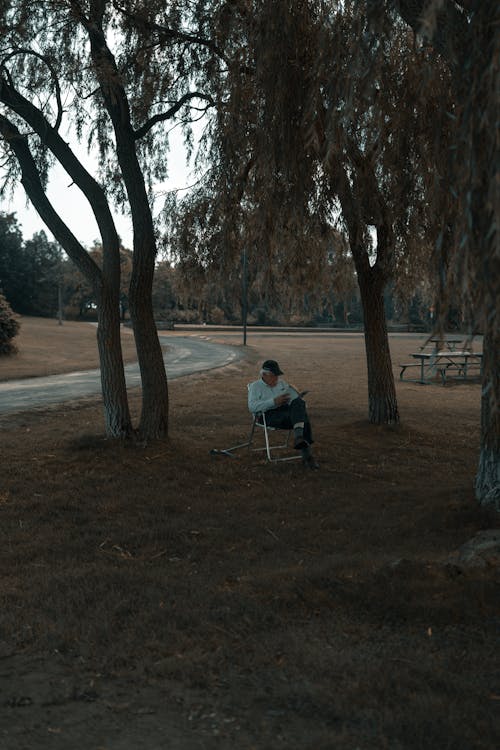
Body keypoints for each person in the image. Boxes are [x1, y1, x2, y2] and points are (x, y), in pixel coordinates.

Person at [247, 359, 318, 469]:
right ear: (264, 375)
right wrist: (274, 402)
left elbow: (292, 400)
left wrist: (296, 398)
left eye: (277, 376)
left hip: (285, 411)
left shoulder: (282, 384)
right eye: (274, 376)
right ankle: (307, 455)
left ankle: (299, 438)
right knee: (302, 418)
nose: (276, 378)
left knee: (299, 403)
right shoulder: (255, 387)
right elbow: (252, 407)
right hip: (267, 416)